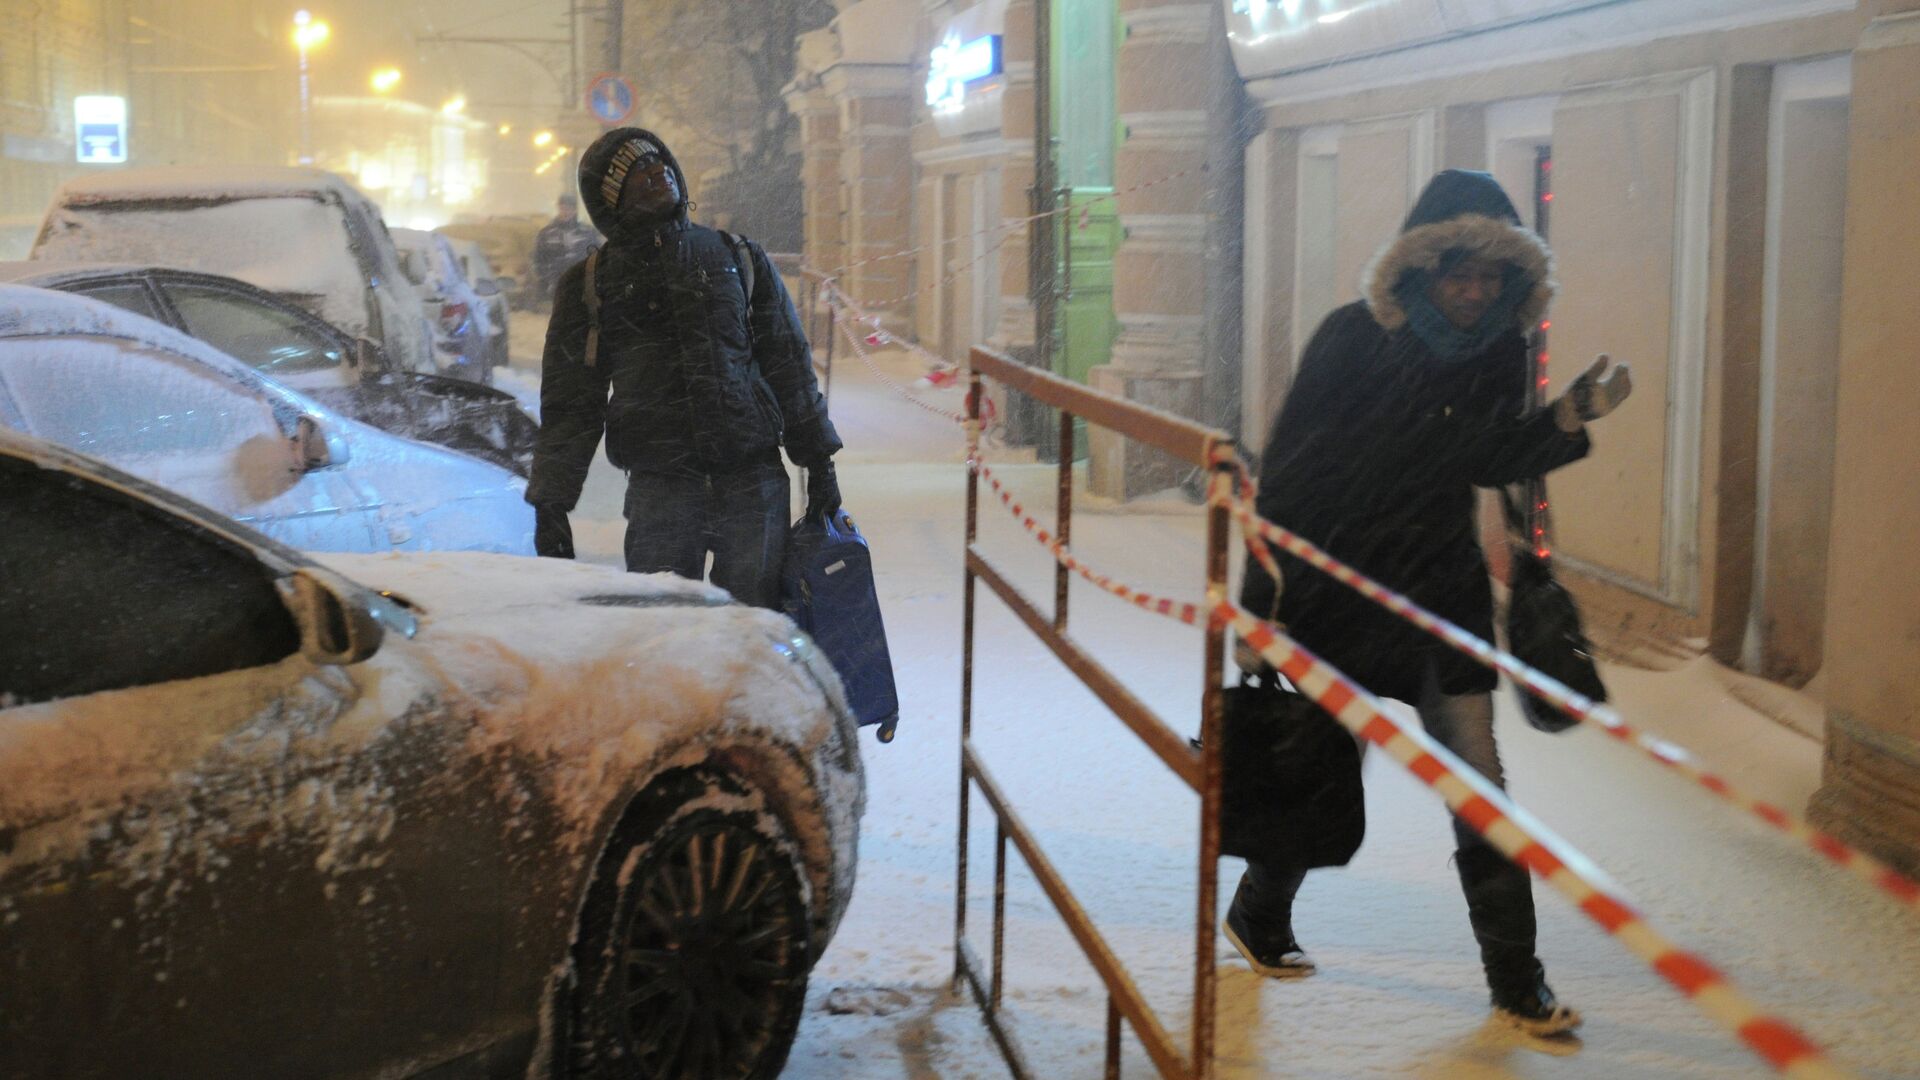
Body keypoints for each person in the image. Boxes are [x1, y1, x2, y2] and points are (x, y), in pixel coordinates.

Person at [1231, 170, 1632, 1037]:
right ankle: (1258, 914)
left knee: (1480, 785)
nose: (1475, 292)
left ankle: (1515, 979)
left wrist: (1568, 416)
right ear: (1420, 269)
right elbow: (1289, 474)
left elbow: (1487, 455)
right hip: (1338, 593)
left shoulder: (1497, 350)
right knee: (1316, 769)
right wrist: (1258, 607)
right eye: (1459, 274)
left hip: (1440, 598)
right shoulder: (1350, 338)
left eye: (1492, 278)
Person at [524, 127, 841, 609]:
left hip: (751, 480)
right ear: (613, 200)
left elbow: (788, 365)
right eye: (640, 176)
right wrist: (552, 499)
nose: (659, 175)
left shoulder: (738, 256)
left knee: (753, 635)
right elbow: (572, 402)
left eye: (661, 167)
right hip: (662, 490)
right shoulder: (591, 283)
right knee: (666, 636)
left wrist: (819, 459)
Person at [530, 193, 599, 305]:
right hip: (556, 284)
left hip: (581, 282)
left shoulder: (587, 233)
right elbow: (539, 258)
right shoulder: (546, 233)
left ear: (575, 210)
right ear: (559, 208)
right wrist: (546, 277)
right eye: (563, 208)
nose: (566, 212)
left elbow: (597, 256)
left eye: (569, 209)